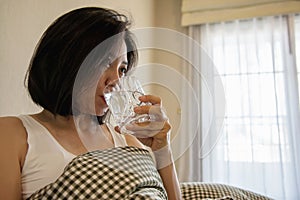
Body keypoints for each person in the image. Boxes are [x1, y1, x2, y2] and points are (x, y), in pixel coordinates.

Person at [0, 7, 181, 200]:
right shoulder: (12, 134)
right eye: (105, 63)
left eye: (122, 69)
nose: (116, 81)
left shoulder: (126, 141)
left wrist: (163, 149)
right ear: (66, 61)